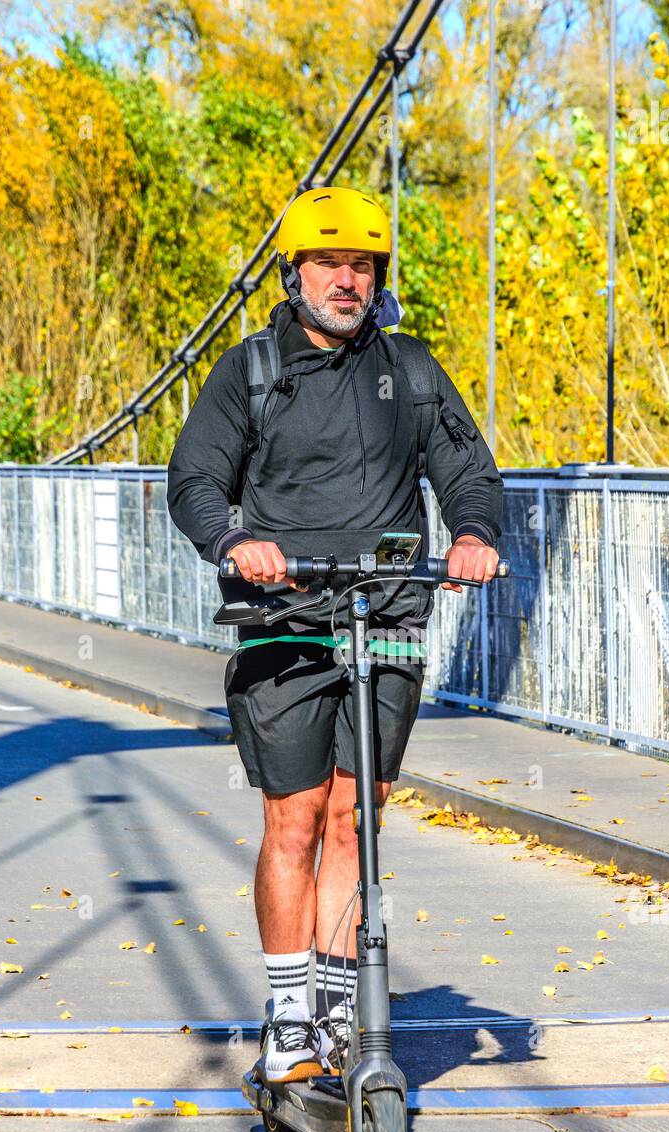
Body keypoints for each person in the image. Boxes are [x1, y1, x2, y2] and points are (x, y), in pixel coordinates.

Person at [167, 186, 503, 1083]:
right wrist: (235, 541)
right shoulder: (248, 373)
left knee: (359, 820)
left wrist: (473, 535)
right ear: (295, 274)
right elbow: (195, 479)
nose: (347, 282)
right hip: (280, 620)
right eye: (330, 265)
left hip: (386, 608)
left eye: (363, 267)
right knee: (294, 818)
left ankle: (338, 1012)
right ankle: (288, 1021)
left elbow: (468, 471)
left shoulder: (414, 372)